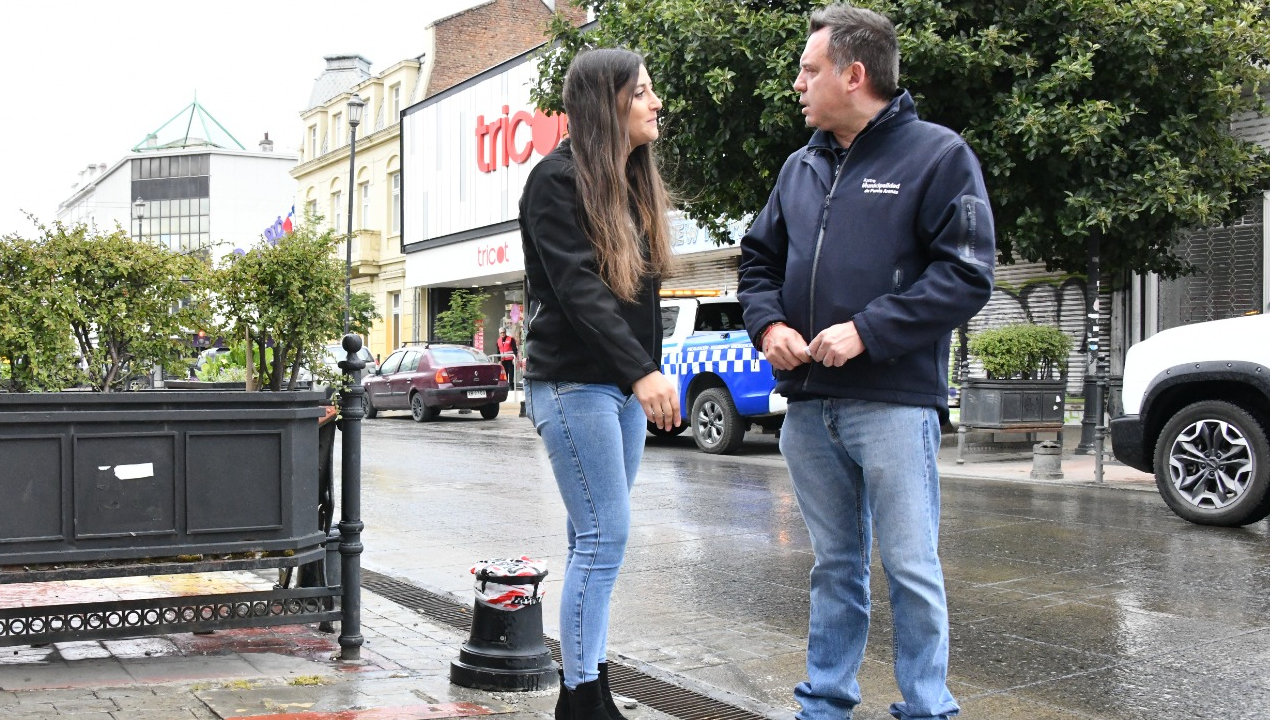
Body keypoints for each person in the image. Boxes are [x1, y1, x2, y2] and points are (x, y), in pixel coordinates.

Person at [737, 5, 995, 720]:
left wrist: (868, 331)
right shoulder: (799, 167)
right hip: (808, 405)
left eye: (809, 69)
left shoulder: (938, 156)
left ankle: (927, 708)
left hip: (893, 402)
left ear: (854, 75)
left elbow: (966, 274)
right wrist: (769, 326)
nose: (797, 83)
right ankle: (825, 703)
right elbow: (757, 263)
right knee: (835, 567)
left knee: (910, 566)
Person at [518, 47, 680, 720]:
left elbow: (638, 302)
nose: (655, 102)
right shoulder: (555, 181)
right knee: (603, 539)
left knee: (593, 540)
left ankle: (593, 685)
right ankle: (581, 699)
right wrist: (643, 373)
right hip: (572, 385)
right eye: (641, 92)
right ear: (605, 104)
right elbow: (579, 290)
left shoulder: (634, 184)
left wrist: (645, 369)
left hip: (618, 390)